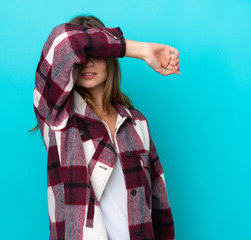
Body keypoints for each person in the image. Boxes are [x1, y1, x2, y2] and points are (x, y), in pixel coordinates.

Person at [31, 15, 180, 240]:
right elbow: (62, 41)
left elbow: (159, 205)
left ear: (110, 59)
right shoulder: (60, 120)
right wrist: (142, 50)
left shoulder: (137, 123)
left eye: (97, 54)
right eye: (80, 56)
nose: (87, 63)